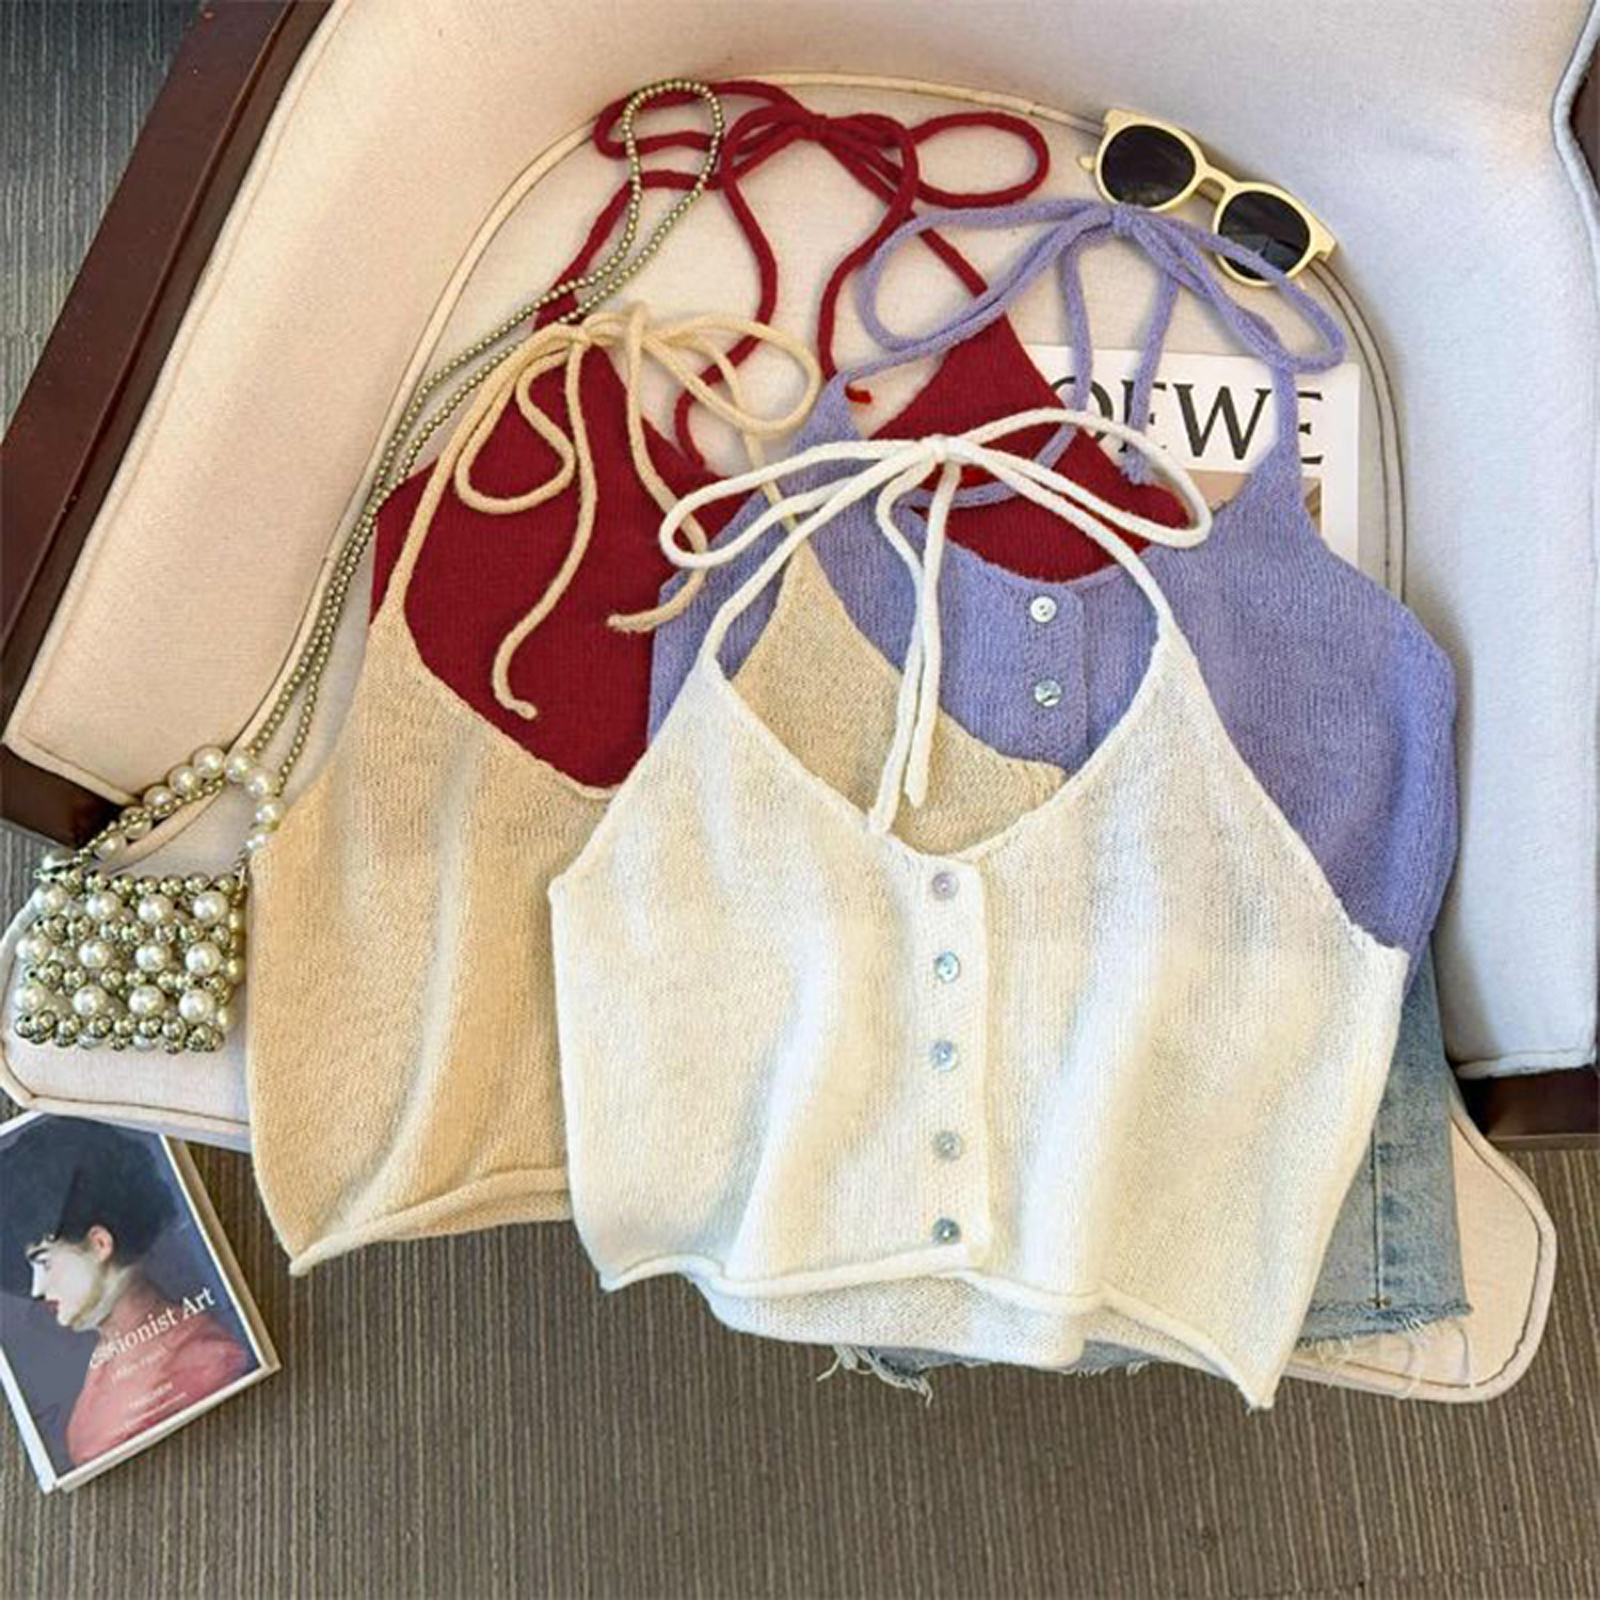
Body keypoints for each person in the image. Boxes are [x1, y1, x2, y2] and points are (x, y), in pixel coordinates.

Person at [1, 1117, 252, 1467]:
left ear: (99, 1244)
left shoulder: (205, 1358)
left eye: (44, 1263)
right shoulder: (104, 1365)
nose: (37, 1289)